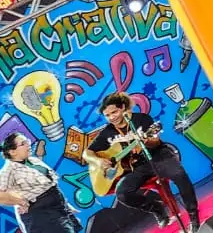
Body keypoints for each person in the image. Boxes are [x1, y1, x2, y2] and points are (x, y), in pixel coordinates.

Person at [83, 92, 200, 231]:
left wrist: (146, 141)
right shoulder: (107, 132)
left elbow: (155, 142)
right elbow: (86, 153)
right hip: (138, 166)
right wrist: (97, 161)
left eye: (114, 112)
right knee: (122, 193)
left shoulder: (141, 119)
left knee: (179, 175)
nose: (112, 117)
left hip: (159, 156)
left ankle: (193, 215)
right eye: (107, 115)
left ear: (123, 107)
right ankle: (157, 208)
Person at [0, 133, 81, 233]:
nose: (28, 145)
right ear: (12, 152)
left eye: (27, 141)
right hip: (42, 214)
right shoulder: (9, 170)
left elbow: (49, 184)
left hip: (59, 208)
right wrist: (21, 201)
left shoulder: (33, 160)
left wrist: (65, 204)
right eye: (23, 143)